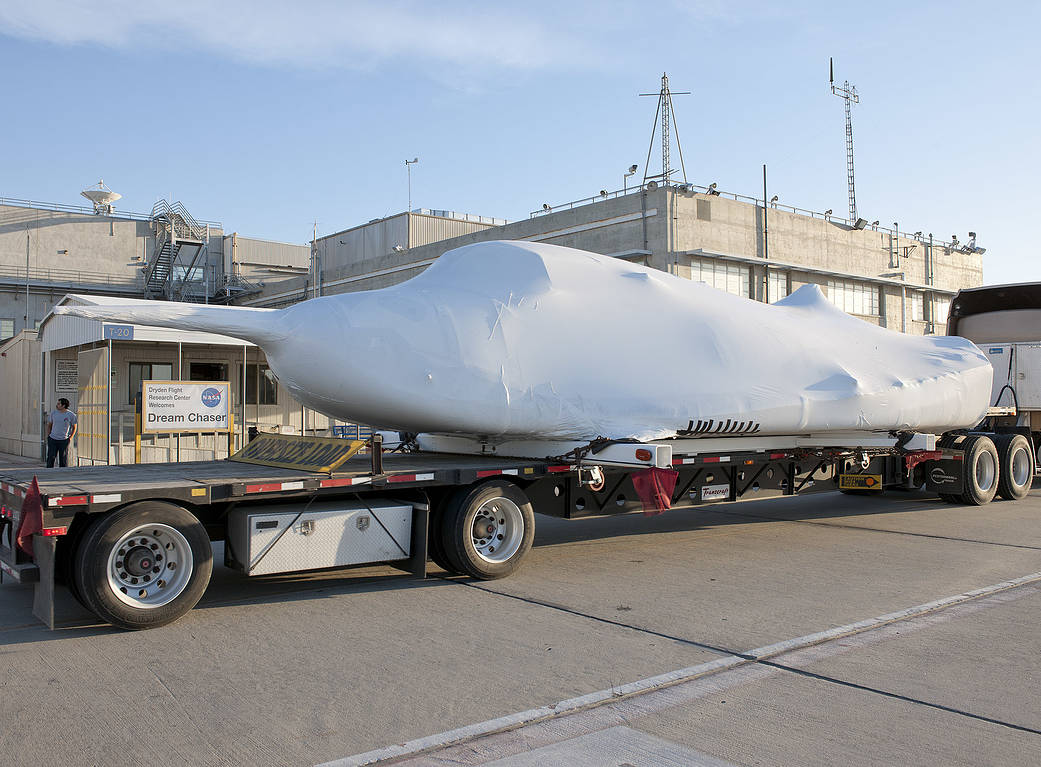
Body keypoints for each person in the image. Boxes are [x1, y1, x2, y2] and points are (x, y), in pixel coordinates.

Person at [46, 398, 78, 468]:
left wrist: (70, 438)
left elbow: (74, 427)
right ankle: (48, 471)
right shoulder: (53, 413)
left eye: (58, 404)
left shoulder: (71, 415)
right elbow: (49, 425)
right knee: (51, 457)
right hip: (53, 439)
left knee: (63, 458)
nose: (57, 405)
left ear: (63, 405)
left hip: (64, 440)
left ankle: (62, 472)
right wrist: (49, 436)